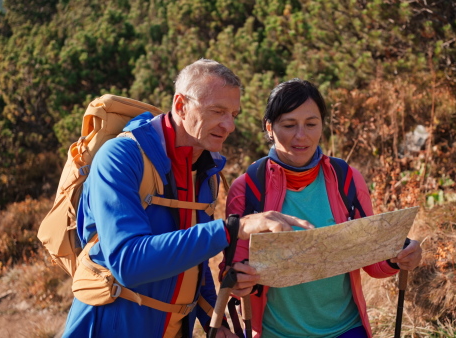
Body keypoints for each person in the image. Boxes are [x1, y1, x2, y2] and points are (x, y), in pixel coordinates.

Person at [62, 60, 314, 337]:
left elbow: (194, 259)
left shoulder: (204, 168)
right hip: (108, 326)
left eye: (234, 114)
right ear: (181, 105)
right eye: (217, 111)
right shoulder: (121, 157)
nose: (229, 125)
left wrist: (212, 324)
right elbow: (128, 263)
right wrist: (234, 228)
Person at [224, 78, 423, 338]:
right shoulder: (249, 187)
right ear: (269, 128)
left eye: (311, 124)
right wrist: (239, 282)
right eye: (289, 125)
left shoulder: (346, 179)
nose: (301, 135)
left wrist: (402, 255)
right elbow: (231, 271)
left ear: (322, 125)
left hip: (346, 329)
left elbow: (373, 260)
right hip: (276, 332)